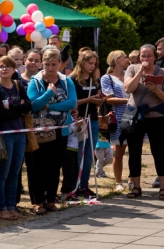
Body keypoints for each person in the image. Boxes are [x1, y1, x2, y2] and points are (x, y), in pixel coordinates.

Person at [27, 46, 77, 214]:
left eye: (54, 64)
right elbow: (33, 105)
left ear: (59, 65)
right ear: (42, 64)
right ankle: (38, 201)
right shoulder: (35, 81)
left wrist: (50, 105)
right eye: (47, 64)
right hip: (40, 131)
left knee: (55, 166)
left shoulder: (66, 81)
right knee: (38, 166)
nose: (50, 68)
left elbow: (72, 103)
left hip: (60, 130)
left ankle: (50, 199)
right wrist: (48, 94)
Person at [0, 56, 31, 219]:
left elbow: (28, 106)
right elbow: (0, 112)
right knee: (3, 172)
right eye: (1, 66)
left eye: (8, 66)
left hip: (20, 133)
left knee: (15, 172)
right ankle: (2, 207)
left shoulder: (18, 85)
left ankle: (12, 206)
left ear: (14, 69)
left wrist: (12, 107)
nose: (4, 69)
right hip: (5, 134)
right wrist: (17, 108)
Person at [123, 44, 164, 199]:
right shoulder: (133, 69)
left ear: (155, 57)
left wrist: (155, 90)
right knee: (134, 151)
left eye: (149, 56)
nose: (146, 59)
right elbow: (128, 89)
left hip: (156, 116)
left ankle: (162, 187)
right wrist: (140, 71)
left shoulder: (162, 72)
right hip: (135, 115)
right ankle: (136, 186)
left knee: (159, 151)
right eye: (143, 56)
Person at [67, 49, 103, 199]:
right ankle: (73, 186)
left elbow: (98, 97)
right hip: (79, 121)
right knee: (78, 154)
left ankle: (84, 185)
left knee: (89, 154)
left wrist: (100, 101)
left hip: (92, 120)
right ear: (82, 62)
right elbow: (72, 102)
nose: (93, 66)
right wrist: (89, 100)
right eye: (90, 63)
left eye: (95, 64)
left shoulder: (95, 79)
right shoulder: (73, 79)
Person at [101, 50, 130, 191]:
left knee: (135, 151)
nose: (128, 59)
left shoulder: (130, 75)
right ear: (117, 60)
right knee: (119, 152)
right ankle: (118, 182)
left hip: (135, 117)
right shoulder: (107, 78)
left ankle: (132, 179)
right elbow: (108, 98)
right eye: (125, 57)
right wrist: (129, 100)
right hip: (119, 117)